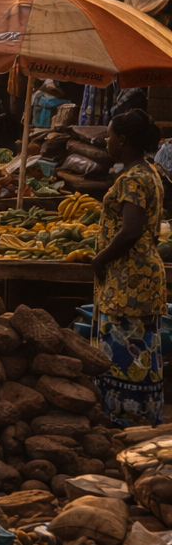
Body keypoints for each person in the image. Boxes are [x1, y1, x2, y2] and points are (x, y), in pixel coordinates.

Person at [91, 109, 167, 426]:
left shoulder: (134, 178)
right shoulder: (149, 172)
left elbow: (131, 230)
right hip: (140, 274)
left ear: (122, 141)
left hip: (129, 277)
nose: (106, 141)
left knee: (124, 344)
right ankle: (141, 414)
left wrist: (100, 258)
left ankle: (122, 418)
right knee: (141, 345)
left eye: (109, 136)